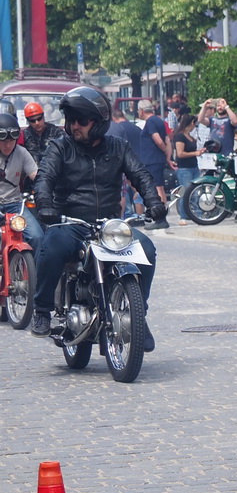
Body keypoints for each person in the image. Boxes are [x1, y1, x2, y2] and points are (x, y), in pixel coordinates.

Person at [30, 86, 167, 344]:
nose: (74, 126)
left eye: (81, 121)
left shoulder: (119, 147)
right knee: (52, 246)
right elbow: (44, 178)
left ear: (99, 122)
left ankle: (138, 316)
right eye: (71, 120)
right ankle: (42, 310)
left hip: (109, 226)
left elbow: (140, 175)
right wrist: (45, 205)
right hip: (70, 223)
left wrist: (154, 202)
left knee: (147, 249)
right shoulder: (60, 147)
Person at [0, 111, 43, 245]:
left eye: (11, 141)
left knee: (37, 237)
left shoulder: (21, 152)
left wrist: (46, 190)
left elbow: (37, 176)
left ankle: (34, 260)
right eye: (3, 141)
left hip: (15, 205)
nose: (8, 145)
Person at [136, 100, 172, 227]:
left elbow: (158, 140)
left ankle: (160, 218)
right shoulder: (159, 121)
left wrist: (163, 150)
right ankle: (160, 217)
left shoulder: (150, 122)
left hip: (152, 160)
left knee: (157, 188)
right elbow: (167, 139)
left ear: (141, 110)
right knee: (159, 187)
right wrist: (167, 156)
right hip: (157, 159)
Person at [170, 114, 201, 226]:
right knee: (185, 192)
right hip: (184, 168)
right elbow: (180, 153)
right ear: (192, 123)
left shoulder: (190, 137)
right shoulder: (180, 137)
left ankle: (197, 213)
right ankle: (183, 216)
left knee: (195, 192)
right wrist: (195, 153)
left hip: (194, 166)